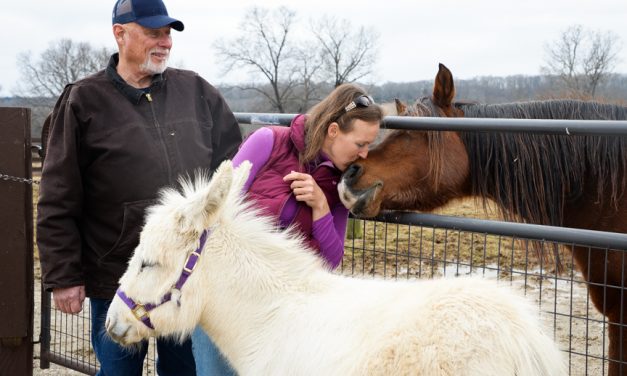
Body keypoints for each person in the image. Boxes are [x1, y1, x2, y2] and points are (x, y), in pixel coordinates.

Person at [36, 0, 242, 375]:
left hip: (183, 277)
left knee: (183, 372)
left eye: (167, 33)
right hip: (115, 275)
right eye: (152, 33)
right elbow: (58, 195)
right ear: (120, 34)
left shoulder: (196, 91)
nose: (164, 41)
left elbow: (234, 168)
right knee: (118, 372)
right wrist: (64, 275)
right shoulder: (84, 100)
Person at [191, 83, 384, 375]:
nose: (365, 154)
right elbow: (217, 210)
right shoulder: (268, 142)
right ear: (333, 131)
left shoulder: (340, 184)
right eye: (360, 144)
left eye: (369, 145)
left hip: (282, 310)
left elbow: (331, 261)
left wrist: (320, 207)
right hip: (228, 291)